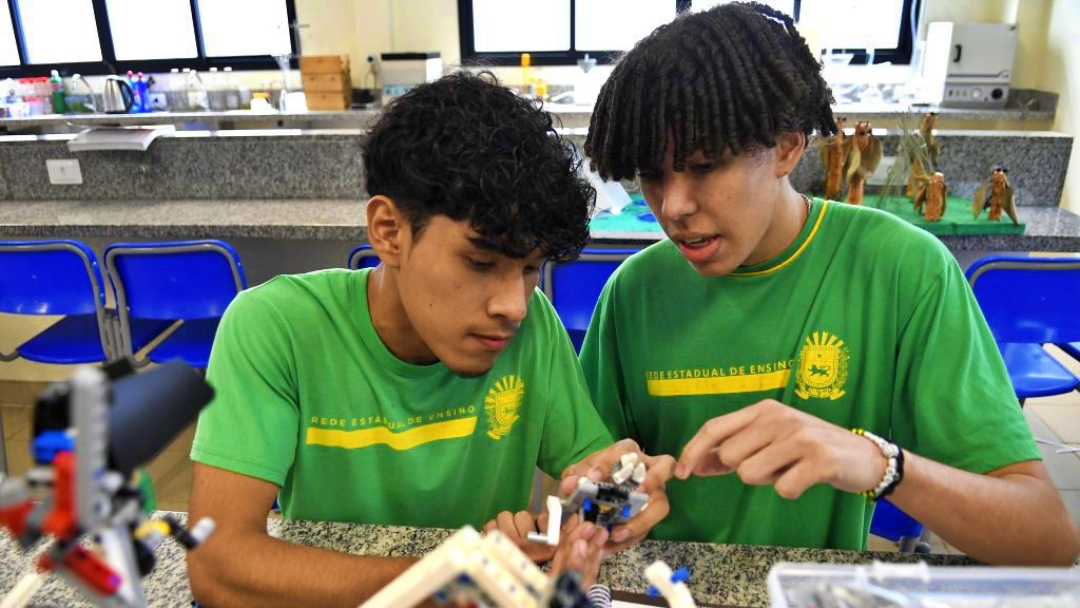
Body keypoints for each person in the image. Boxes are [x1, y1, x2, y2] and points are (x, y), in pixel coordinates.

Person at [579, 1, 1079, 565]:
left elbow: (1046, 540)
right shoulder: (632, 295)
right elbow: (585, 495)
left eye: (702, 166)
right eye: (651, 175)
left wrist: (874, 463)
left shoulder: (901, 271)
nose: (673, 206)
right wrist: (614, 504)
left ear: (789, 146)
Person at [187, 71, 672, 608]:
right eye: (481, 261)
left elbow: (593, 468)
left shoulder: (532, 327)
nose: (513, 305)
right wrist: (451, 576)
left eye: (531, 268)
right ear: (389, 232)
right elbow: (217, 565)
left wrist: (619, 499)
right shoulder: (276, 328)